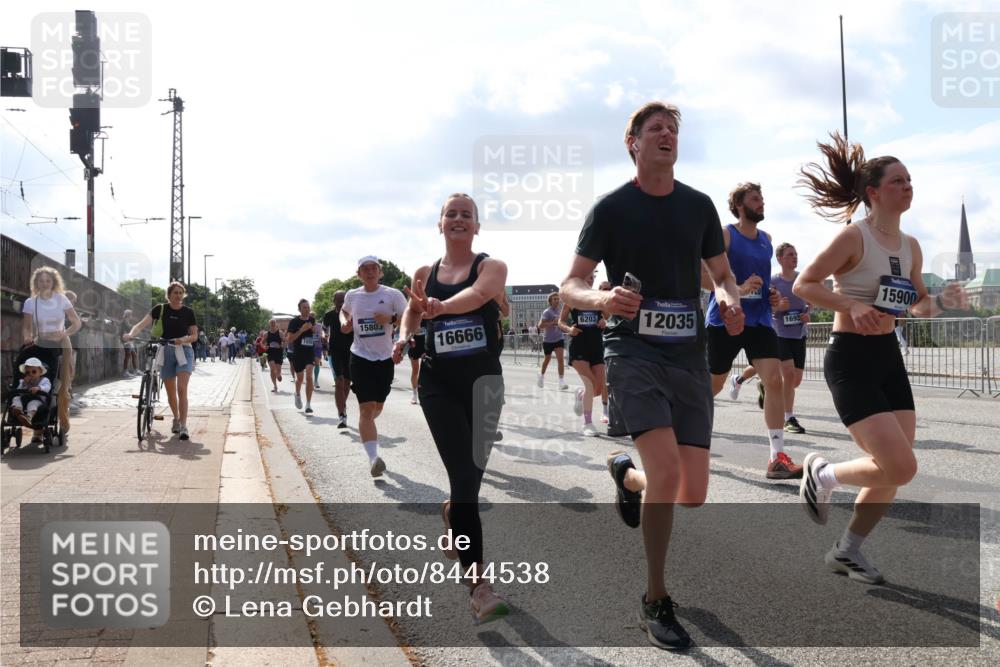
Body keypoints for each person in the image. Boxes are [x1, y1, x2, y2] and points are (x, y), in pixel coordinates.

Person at [561, 102, 743, 650]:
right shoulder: (611, 208)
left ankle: (626, 477)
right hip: (633, 353)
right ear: (632, 143)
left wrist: (730, 299)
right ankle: (656, 598)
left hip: (688, 355)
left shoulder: (699, 206)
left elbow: (722, 274)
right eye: (655, 128)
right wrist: (604, 298)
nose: (666, 134)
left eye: (673, 128)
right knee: (667, 475)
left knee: (691, 494)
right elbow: (570, 284)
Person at [794, 132, 968, 584]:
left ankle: (847, 550)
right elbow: (804, 285)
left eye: (910, 180)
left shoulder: (911, 246)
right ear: (873, 192)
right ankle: (823, 473)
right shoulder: (854, 237)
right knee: (902, 466)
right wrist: (850, 305)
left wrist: (944, 302)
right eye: (897, 181)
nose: (907, 186)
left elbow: (918, 306)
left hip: (888, 358)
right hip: (850, 359)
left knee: (893, 469)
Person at [394, 193, 509, 623]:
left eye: (467, 214)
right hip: (439, 384)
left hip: (484, 386)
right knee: (463, 477)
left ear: (476, 226)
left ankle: (451, 515)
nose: (459, 219)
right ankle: (478, 583)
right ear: (439, 224)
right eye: (451, 214)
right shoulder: (424, 274)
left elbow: (479, 296)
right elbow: (411, 313)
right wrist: (404, 337)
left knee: (469, 485)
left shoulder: (491, 267)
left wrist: (440, 308)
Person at [702, 182, 801, 480]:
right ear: (741, 206)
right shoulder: (725, 235)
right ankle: (687, 435)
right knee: (714, 386)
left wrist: (770, 294)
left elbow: (761, 280)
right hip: (726, 319)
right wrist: (739, 290)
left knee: (774, 380)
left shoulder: (767, 240)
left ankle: (777, 458)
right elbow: (704, 278)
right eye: (756, 199)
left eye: (762, 198)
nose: (762, 203)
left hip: (759, 321)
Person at [341, 256, 407, 476]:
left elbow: (409, 319)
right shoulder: (353, 296)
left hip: (384, 358)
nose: (369, 272)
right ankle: (373, 459)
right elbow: (344, 311)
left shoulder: (392, 294)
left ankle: (368, 422)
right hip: (359, 356)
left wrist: (390, 319)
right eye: (364, 269)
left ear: (380, 272)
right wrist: (345, 322)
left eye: (373, 268)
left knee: (377, 407)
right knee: (366, 408)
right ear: (358, 274)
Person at [123, 281, 199, 440]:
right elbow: (141, 324)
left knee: (182, 389)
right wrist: (130, 334)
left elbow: (194, 335)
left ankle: (184, 426)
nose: (178, 296)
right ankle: (176, 419)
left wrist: (183, 340)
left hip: (184, 350)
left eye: (180, 293)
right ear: (169, 295)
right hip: (165, 350)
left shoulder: (188, 312)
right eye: (175, 293)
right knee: (171, 393)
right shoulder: (160, 309)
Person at [22, 266, 82, 439]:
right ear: (36, 283)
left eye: (48, 280)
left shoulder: (61, 299)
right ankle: (38, 429)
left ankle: (63, 419)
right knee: (39, 380)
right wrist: (28, 337)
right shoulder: (30, 302)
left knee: (62, 385)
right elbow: (27, 327)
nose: (45, 283)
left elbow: (76, 323)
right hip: (40, 342)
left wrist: (65, 333)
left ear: (53, 282)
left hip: (61, 343)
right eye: (41, 280)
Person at [769, 243, 811, 433]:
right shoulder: (773, 282)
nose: (794, 257)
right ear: (779, 259)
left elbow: (811, 302)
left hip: (799, 333)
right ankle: (788, 418)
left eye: (795, 254)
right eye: (790, 255)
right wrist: (778, 308)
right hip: (780, 334)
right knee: (789, 374)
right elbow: (765, 308)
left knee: (796, 380)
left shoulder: (803, 280)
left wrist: (807, 314)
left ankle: (766, 385)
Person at [559, 271, 607, 436]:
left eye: (593, 278)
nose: (591, 280)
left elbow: (608, 317)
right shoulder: (572, 299)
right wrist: (569, 329)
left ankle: (580, 395)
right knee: (590, 385)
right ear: (580, 280)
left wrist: (604, 321)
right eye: (588, 277)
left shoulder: (598, 297)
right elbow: (561, 321)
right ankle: (587, 424)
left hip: (596, 345)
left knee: (599, 389)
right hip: (579, 345)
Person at [323, 291, 354, 428]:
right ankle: (342, 414)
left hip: (351, 351)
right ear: (334, 301)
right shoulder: (329, 315)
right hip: (335, 351)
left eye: (343, 300)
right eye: (338, 300)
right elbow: (324, 328)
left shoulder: (353, 313)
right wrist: (325, 335)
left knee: (347, 383)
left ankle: (342, 405)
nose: (341, 302)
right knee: (339, 381)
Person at [287, 300, 318, 413]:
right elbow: (290, 339)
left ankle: (308, 405)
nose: (307, 309)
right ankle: (297, 394)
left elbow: (313, 333)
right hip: (298, 353)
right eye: (304, 307)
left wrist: (313, 330)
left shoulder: (312, 319)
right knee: (299, 379)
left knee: (309, 374)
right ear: (299, 309)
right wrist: (302, 330)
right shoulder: (294, 322)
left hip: (309, 352)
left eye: (308, 307)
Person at [536, 293, 569, 389]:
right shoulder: (547, 312)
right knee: (547, 359)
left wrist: (567, 328)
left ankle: (561, 381)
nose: (557, 300)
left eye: (558, 299)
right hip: (548, 340)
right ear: (550, 301)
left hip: (559, 338)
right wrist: (552, 322)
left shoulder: (560, 311)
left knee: (561, 360)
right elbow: (540, 326)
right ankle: (541, 375)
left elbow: (562, 323)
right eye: (554, 299)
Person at [10, 357, 52, 427]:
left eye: (34, 372)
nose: (31, 374)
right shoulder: (23, 381)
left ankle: (29, 417)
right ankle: (18, 410)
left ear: (40, 372)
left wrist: (39, 388)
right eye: (28, 372)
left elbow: (48, 387)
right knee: (16, 398)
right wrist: (24, 384)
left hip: (37, 399)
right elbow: (19, 391)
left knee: (32, 404)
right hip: (24, 399)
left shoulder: (44, 380)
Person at [406, 319, 426, 405]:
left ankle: (424, 394)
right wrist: (413, 332)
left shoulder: (426, 316)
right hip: (414, 344)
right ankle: (414, 394)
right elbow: (406, 332)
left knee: (425, 370)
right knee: (415, 370)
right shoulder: (412, 315)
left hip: (425, 344)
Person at [264, 320, 285, 392]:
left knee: (278, 370)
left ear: (276, 324)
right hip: (270, 353)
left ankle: (278, 374)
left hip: (278, 353)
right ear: (269, 324)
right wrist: (264, 347)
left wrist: (282, 345)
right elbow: (262, 342)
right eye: (271, 323)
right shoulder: (266, 334)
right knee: (272, 368)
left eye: (273, 323)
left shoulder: (280, 333)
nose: (272, 324)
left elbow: (285, 341)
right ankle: (275, 386)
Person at [120, 309, 140, 378]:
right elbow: (123, 332)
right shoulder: (124, 322)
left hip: (129, 341)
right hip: (126, 341)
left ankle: (135, 370)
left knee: (133, 355)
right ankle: (125, 372)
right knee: (128, 355)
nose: (131, 316)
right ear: (128, 315)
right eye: (130, 314)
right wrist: (126, 338)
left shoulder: (127, 322)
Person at [311, 312, 325, 389]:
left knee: (316, 363)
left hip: (317, 347)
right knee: (309, 365)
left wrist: (322, 336)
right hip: (308, 348)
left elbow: (322, 333)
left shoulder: (319, 325)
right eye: (310, 316)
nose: (312, 318)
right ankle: (310, 380)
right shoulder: (306, 325)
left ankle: (315, 380)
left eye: (313, 316)